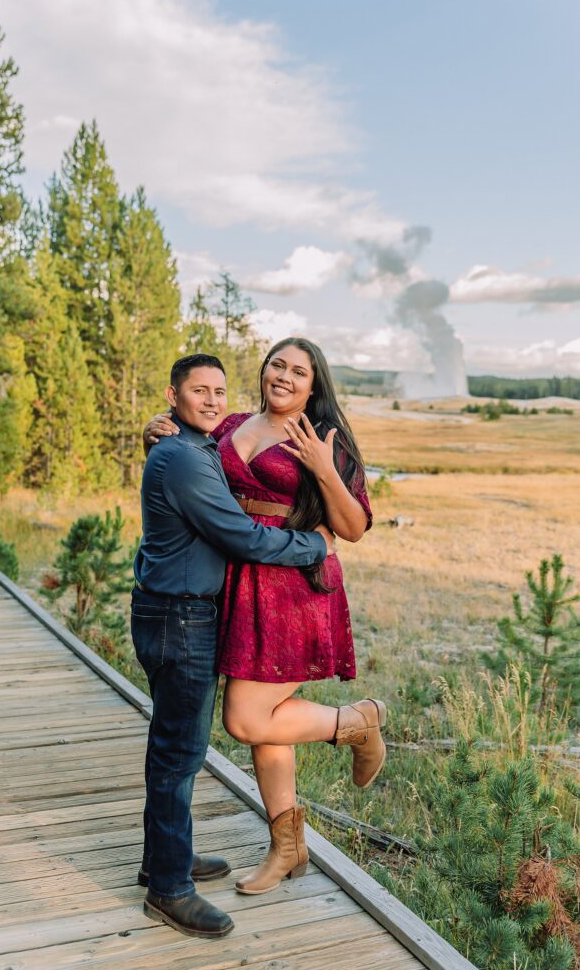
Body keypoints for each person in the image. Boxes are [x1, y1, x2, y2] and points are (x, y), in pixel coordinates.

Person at [144, 338, 386, 898]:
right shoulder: (229, 424)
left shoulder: (324, 439)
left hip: (294, 585)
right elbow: (188, 460)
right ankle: (287, 849)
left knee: (247, 718)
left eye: (298, 371)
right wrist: (157, 432)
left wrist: (325, 470)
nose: (284, 376)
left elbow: (351, 528)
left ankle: (358, 721)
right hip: (239, 579)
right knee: (269, 719)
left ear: (313, 384)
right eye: (277, 364)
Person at [132, 352, 335, 940]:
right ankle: (169, 889)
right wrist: (315, 548)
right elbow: (239, 535)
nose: (214, 401)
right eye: (199, 391)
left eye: (220, 391)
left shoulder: (193, 448)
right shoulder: (183, 458)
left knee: (172, 746)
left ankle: (163, 857)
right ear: (174, 397)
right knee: (179, 753)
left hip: (176, 612)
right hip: (180, 618)